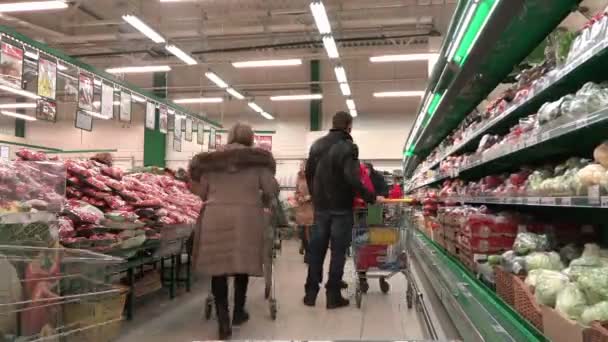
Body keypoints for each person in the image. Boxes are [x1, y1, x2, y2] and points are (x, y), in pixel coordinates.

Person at [189, 123, 278, 339]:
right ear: (250, 138)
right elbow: (271, 190)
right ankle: (239, 312)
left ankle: (223, 322)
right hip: (247, 217)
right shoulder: (258, 161)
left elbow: (201, 192)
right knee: (242, 264)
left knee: (218, 267)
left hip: (215, 216)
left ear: (228, 137)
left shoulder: (210, 162)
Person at [304, 111, 378, 309]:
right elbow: (352, 178)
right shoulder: (348, 147)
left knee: (316, 250)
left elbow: (309, 174)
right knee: (338, 252)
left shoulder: (316, 145)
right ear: (348, 126)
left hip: (321, 208)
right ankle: (333, 295)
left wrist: (315, 195)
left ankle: (310, 294)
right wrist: (370, 196)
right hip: (341, 208)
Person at [294, 160, 314, 263]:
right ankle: (305, 248)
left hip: (311, 209)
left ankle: (309, 255)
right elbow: (296, 191)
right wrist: (298, 197)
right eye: (301, 165)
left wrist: (308, 197)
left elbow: (317, 191)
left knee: (309, 233)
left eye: (304, 165)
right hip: (301, 209)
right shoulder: (299, 178)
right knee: (302, 233)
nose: (302, 167)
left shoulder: (313, 177)